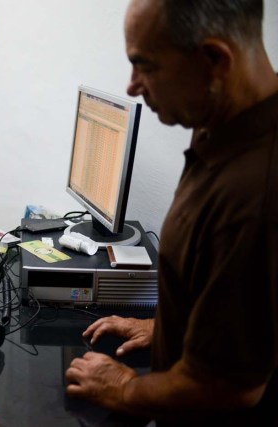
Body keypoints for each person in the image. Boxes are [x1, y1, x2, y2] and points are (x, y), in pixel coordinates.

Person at [65, 0, 278, 425]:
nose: (132, 86)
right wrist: (168, 328)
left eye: (145, 66)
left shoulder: (254, 195)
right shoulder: (222, 123)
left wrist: (123, 387)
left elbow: (226, 386)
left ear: (215, 59)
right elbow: (230, 298)